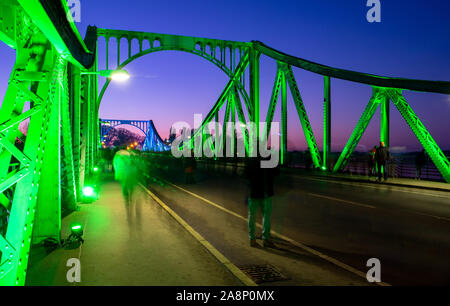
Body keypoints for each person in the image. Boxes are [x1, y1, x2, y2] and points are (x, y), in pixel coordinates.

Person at [244, 156, 279, 248]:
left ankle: (252, 239)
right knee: (266, 216)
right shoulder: (270, 157)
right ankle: (266, 239)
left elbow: (246, 175)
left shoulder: (251, 159)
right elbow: (276, 172)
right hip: (266, 192)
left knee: (252, 216)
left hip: (254, 192)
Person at [113, 148, 141, 227]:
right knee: (131, 189)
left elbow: (115, 165)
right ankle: (130, 199)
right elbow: (134, 164)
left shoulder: (117, 155)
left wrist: (117, 174)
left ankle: (127, 202)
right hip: (130, 174)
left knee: (124, 189)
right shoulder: (130, 155)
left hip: (122, 175)